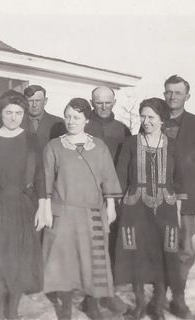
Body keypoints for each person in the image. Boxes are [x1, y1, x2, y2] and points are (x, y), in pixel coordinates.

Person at [42, 98, 122, 320]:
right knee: (65, 263)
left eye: (76, 117)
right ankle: (65, 308)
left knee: (95, 262)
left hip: (92, 214)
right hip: (64, 213)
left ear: (87, 119)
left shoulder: (99, 146)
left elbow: (108, 178)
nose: (71, 121)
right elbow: (46, 181)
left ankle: (93, 306)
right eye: (67, 116)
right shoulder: (54, 146)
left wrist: (111, 206)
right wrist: (46, 209)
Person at [0, 90, 45, 319]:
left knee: (18, 263)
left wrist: (43, 207)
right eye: (8, 112)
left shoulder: (32, 141)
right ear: (0, 113)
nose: (13, 117)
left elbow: (41, 177)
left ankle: (12, 311)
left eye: (18, 112)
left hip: (24, 208)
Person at [115, 98, 187, 320]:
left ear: (162, 120)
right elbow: (119, 178)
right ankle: (139, 304)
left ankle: (157, 305)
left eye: (151, 117)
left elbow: (180, 180)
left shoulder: (173, 145)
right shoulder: (130, 144)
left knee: (165, 255)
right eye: (143, 116)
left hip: (166, 209)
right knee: (137, 256)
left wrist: (178, 211)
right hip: (135, 209)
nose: (146, 121)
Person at [162, 75, 195, 318]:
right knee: (159, 246)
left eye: (177, 92)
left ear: (187, 96)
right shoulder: (153, 119)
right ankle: (157, 296)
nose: (172, 97)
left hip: (187, 196)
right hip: (158, 197)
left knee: (185, 248)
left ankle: (179, 297)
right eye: (168, 92)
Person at [85, 86, 131, 314]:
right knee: (93, 246)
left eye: (107, 102)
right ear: (92, 102)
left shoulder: (123, 129)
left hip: (115, 195)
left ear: (114, 102)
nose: (103, 106)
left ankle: (108, 294)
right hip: (88, 194)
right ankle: (91, 298)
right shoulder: (83, 126)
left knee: (112, 247)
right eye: (98, 102)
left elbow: (130, 162)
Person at [22, 85, 66, 150]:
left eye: (38, 100)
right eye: (30, 101)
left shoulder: (58, 123)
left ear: (45, 101)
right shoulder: (18, 122)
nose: (34, 105)